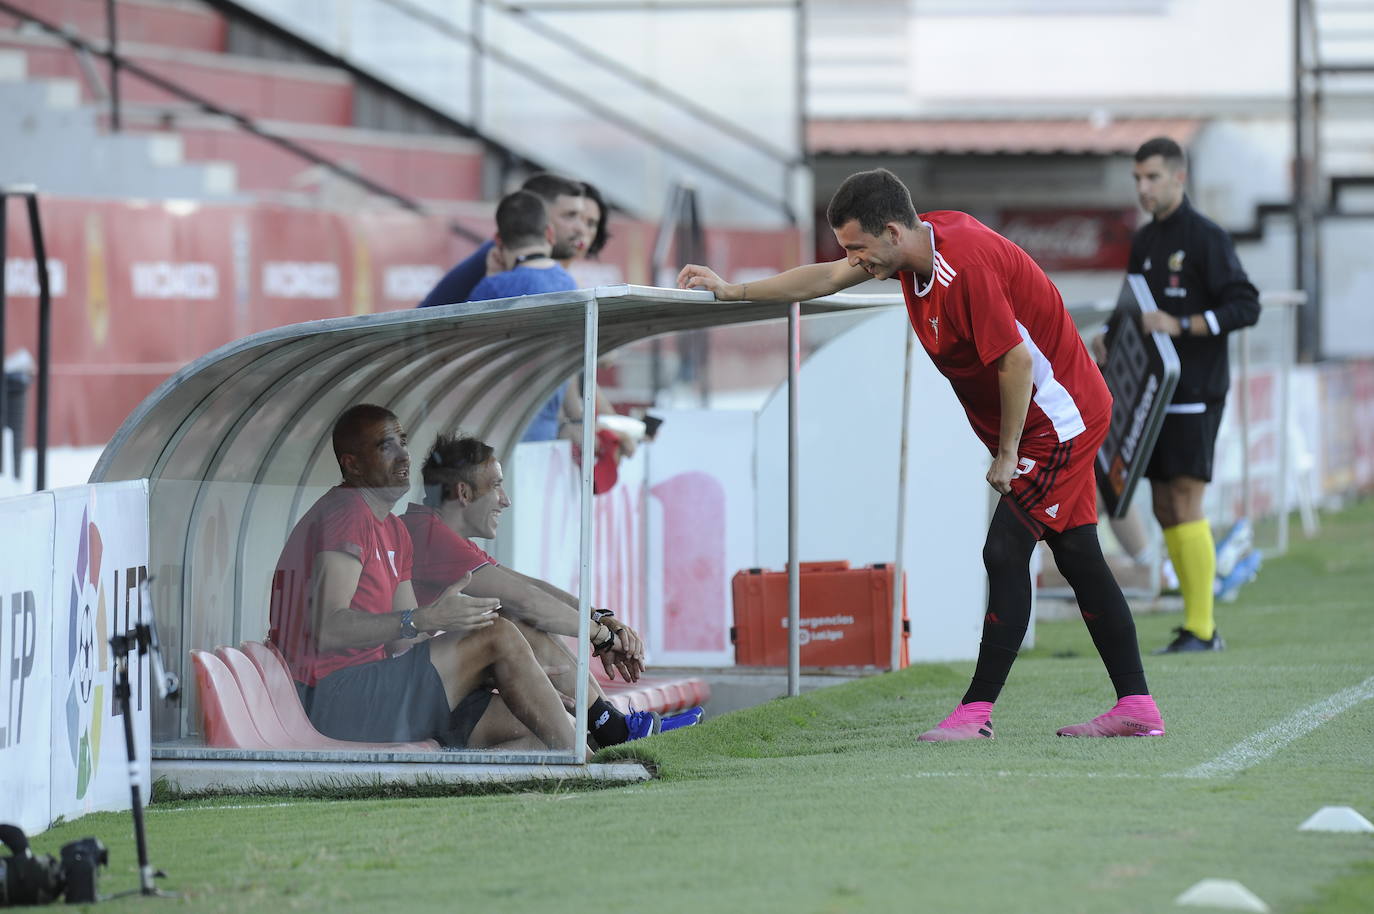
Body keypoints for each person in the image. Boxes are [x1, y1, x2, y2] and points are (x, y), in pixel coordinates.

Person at [679, 167, 1165, 740]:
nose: (855, 262)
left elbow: (1015, 362)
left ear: (892, 231)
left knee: (1004, 553)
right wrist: (734, 290)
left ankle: (976, 712)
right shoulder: (909, 252)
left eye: (859, 248)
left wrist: (1007, 454)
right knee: (1081, 559)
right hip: (1043, 426)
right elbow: (826, 277)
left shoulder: (965, 265)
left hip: (1058, 424)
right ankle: (1136, 705)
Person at [267, 403, 575, 752]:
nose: (404, 456)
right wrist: (422, 619)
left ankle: (573, 764)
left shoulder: (395, 529)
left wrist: (500, 670)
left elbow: (403, 643)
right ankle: (595, 769)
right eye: (386, 447)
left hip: (376, 688)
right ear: (351, 464)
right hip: (333, 699)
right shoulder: (347, 513)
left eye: (403, 442)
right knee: (499, 632)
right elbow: (329, 628)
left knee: (531, 726)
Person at [402, 433, 703, 742]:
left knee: (559, 725)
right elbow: (525, 600)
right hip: (399, 695)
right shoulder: (428, 534)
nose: (505, 499)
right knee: (510, 624)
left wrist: (599, 618)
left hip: (421, 686)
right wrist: (602, 636)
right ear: (464, 493)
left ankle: (610, 727)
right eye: (495, 486)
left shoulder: (436, 531)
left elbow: (527, 586)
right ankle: (612, 729)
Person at [1097, 137, 1261, 653]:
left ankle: (1204, 629)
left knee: (1187, 501)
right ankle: (1195, 624)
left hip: (1195, 393)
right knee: (1165, 505)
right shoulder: (1145, 241)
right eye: (1137, 179)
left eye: (1152, 177)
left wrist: (1183, 322)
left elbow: (1246, 306)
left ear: (1178, 177)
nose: (1143, 187)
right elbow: (1135, 305)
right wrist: (1112, 332)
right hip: (1152, 393)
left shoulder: (1207, 237)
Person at [418, 173, 588, 309]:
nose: (581, 229)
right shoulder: (495, 257)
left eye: (584, 218)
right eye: (570, 216)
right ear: (532, 211)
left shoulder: (550, 267)